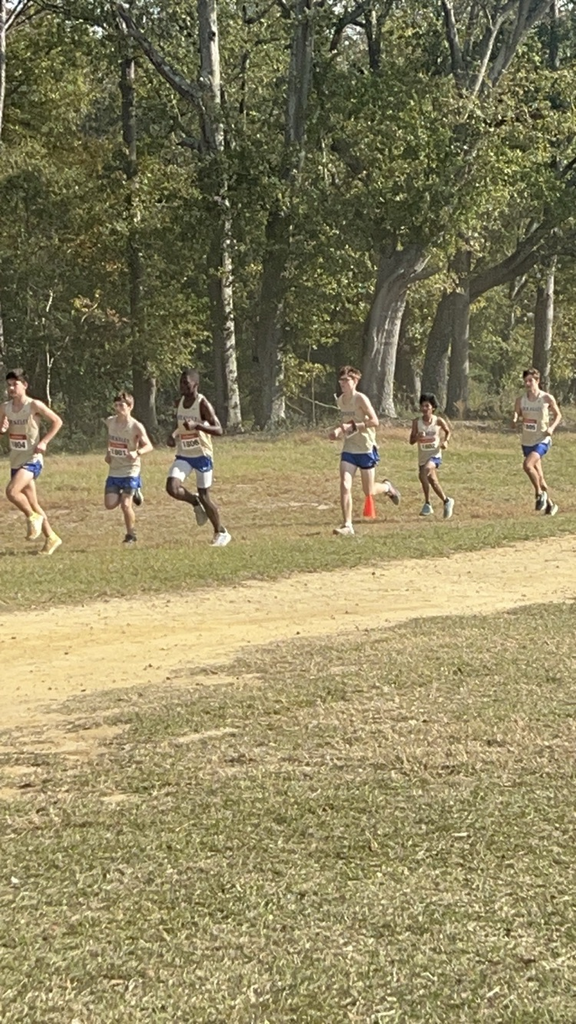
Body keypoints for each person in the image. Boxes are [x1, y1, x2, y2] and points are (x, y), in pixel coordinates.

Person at [328, 365, 400, 536]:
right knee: (345, 484)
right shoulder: (340, 401)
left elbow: (375, 421)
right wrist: (338, 431)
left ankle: (387, 487)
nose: (342, 383)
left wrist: (354, 426)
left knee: (369, 491)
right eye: (341, 380)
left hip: (366, 448)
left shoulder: (361, 399)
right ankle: (347, 525)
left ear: (355, 381)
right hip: (349, 449)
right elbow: (346, 422)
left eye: (346, 380)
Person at [166, 368, 231, 546]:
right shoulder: (179, 402)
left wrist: (198, 425)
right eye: (181, 383)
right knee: (172, 487)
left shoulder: (202, 404)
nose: (182, 386)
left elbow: (219, 429)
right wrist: (173, 435)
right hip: (184, 454)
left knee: (205, 496)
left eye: (186, 383)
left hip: (202, 455)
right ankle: (194, 502)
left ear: (196, 384)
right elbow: (180, 425)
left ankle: (221, 532)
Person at [0, 368, 63, 554]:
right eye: (9, 385)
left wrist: (44, 442)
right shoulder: (5, 407)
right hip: (16, 460)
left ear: (25, 385)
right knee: (33, 503)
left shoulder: (34, 405)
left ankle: (32, 517)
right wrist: (2, 429)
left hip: (32, 459)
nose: (11, 388)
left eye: (15, 384)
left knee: (12, 492)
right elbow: (1, 429)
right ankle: (51, 537)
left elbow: (57, 421)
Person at [104, 392, 153, 545]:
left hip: (131, 470)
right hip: (115, 470)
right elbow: (111, 440)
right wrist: (108, 453)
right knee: (109, 504)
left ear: (130, 407)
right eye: (116, 405)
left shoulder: (136, 426)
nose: (118, 408)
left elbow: (149, 446)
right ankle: (134, 492)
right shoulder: (110, 422)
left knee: (126, 505)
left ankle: (131, 535)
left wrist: (137, 453)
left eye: (122, 405)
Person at [513, 367, 561, 516]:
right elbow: (516, 413)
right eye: (525, 381)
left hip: (542, 440)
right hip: (527, 441)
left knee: (527, 466)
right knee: (539, 477)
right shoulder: (521, 400)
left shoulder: (546, 398)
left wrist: (551, 428)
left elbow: (558, 415)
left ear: (537, 381)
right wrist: (514, 419)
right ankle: (550, 505)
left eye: (530, 381)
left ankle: (539, 494)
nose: (527, 384)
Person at [409, 393, 454, 519]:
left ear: (433, 408)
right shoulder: (416, 422)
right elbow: (411, 441)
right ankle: (447, 501)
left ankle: (427, 504)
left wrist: (446, 441)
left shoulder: (438, 421)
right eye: (422, 406)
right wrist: (417, 437)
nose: (424, 409)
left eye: (427, 406)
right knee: (433, 482)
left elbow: (448, 431)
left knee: (425, 471)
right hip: (423, 457)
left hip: (435, 455)